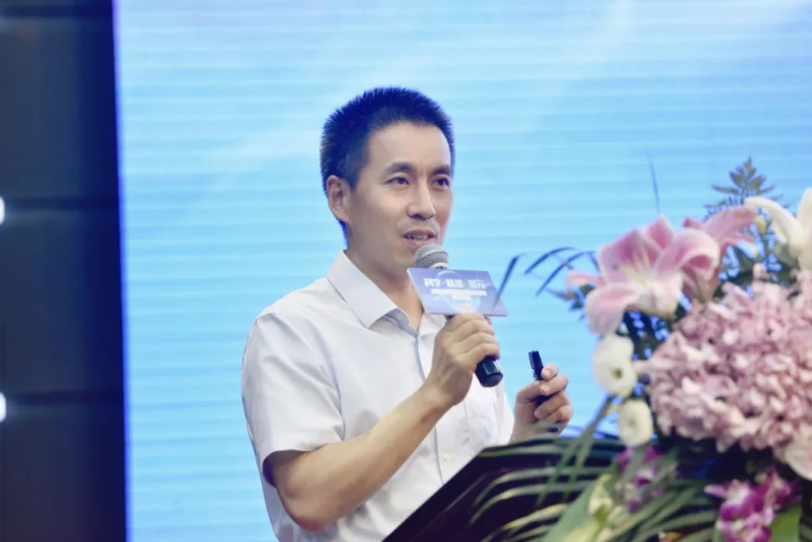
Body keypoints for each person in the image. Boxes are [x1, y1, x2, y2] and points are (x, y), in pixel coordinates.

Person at [241, 87, 573, 542]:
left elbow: (478, 503)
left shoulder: (459, 317)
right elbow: (308, 500)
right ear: (339, 197)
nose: (426, 207)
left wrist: (524, 443)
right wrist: (435, 393)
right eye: (400, 181)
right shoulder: (291, 329)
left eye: (440, 181)